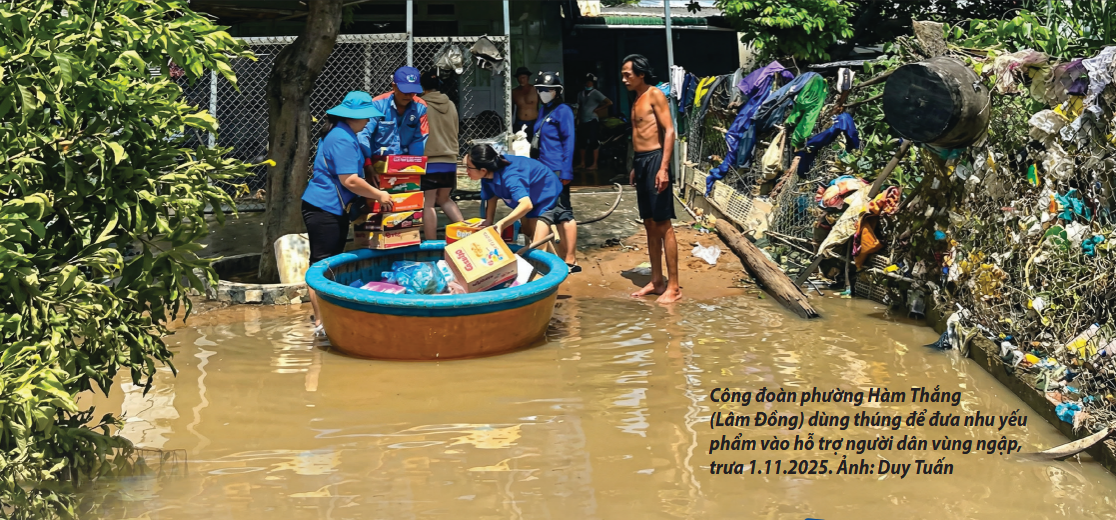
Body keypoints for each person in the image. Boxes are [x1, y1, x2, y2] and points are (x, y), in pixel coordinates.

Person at [302, 91, 395, 336]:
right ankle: (321, 324)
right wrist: (379, 195)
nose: (367, 122)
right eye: (365, 117)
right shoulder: (342, 138)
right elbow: (350, 181)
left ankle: (327, 318)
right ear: (353, 117)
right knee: (321, 265)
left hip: (331, 207)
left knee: (329, 263)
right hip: (324, 207)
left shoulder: (343, 133)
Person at [621, 54, 681, 303]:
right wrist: (636, 165)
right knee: (648, 223)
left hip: (657, 160)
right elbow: (639, 134)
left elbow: (669, 131)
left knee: (663, 224)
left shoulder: (655, 94)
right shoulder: (636, 99)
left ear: (641, 74)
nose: (624, 79)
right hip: (642, 162)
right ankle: (657, 280)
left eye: (628, 74)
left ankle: (674, 286)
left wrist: (663, 167)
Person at [467, 144, 562, 249]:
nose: (467, 171)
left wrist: (502, 223)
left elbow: (526, 205)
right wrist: (488, 220)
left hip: (545, 191)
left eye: (469, 168)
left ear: (483, 170)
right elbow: (491, 197)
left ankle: (555, 262)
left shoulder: (511, 177)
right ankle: (552, 256)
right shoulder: (488, 175)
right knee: (528, 232)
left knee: (537, 244)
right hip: (528, 192)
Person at [533, 71, 580, 272]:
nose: (543, 93)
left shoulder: (563, 111)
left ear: (556, 92)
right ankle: (563, 257)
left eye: (547, 90)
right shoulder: (544, 110)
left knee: (563, 212)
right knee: (556, 212)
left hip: (557, 169)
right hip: (544, 169)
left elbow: (569, 142)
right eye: (540, 90)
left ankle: (570, 260)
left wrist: (566, 171)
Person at [418, 70, 464, 241]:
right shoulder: (450, 104)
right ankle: (466, 233)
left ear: (422, 87)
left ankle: (430, 243)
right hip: (450, 160)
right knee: (445, 199)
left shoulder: (421, 105)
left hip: (431, 161)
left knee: (428, 203)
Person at [360, 66, 428, 161]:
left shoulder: (421, 107)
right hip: (378, 161)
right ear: (394, 86)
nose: (409, 95)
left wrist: (414, 164)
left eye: (413, 91)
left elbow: (419, 140)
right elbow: (363, 134)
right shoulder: (377, 104)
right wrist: (367, 162)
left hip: (405, 162)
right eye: (405, 90)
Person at [575, 73, 612, 170]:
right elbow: (579, 107)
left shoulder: (596, 93)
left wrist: (598, 109)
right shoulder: (580, 94)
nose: (587, 84)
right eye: (586, 82)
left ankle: (594, 164)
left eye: (589, 82)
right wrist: (577, 119)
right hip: (583, 120)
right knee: (581, 142)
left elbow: (609, 102)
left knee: (593, 141)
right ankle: (582, 163)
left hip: (592, 119)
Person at [511, 66, 539, 143]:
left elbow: (541, 106)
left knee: (533, 144)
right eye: (519, 78)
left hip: (533, 122)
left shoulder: (535, 90)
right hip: (519, 122)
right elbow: (511, 109)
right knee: (518, 145)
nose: (521, 80)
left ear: (528, 78)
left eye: (523, 77)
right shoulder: (514, 92)